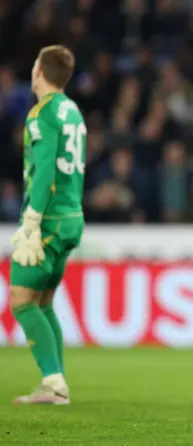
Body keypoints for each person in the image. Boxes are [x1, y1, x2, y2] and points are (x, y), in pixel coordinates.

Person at [11, 45, 86, 405]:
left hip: (50, 217)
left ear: (39, 71)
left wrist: (31, 222)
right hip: (72, 214)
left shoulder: (42, 114)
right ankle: (54, 382)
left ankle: (54, 383)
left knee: (22, 301)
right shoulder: (72, 110)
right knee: (43, 302)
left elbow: (43, 172)